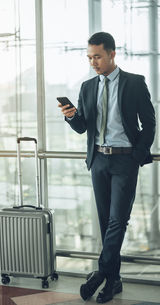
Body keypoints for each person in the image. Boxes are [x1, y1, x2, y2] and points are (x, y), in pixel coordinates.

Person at [58, 32, 156, 303]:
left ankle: (102, 272)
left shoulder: (135, 83)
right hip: (99, 160)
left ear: (112, 54)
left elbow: (149, 122)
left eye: (97, 56)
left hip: (125, 160)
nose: (93, 62)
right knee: (105, 222)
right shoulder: (88, 87)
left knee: (117, 220)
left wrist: (138, 155)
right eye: (89, 57)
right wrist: (71, 116)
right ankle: (113, 280)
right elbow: (82, 128)